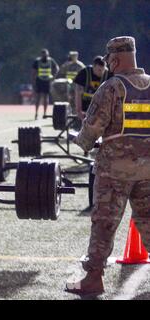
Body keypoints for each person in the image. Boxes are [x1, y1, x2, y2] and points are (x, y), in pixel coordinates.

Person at [66, 36, 150, 296]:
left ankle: (94, 278)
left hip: (115, 170)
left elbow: (92, 128)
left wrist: (81, 141)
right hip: (148, 168)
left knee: (104, 222)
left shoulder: (112, 87)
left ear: (115, 58)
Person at [73, 56, 111, 120]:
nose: (101, 72)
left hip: (101, 104)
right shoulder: (84, 73)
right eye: (99, 70)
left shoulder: (109, 75)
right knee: (72, 92)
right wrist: (79, 111)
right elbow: (78, 93)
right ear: (93, 66)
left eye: (103, 70)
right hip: (84, 102)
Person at [32, 48, 59, 119]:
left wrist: (53, 76)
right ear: (41, 55)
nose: (45, 57)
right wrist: (34, 81)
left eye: (46, 55)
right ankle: (36, 113)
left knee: (45, 97)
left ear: (48, 55)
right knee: (38, 98)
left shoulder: (50, 60)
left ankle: (45, 113)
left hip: (47, 81)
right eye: (43, 55)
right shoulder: (37, 61)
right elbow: (33, 71)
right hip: (39, 81)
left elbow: (56, 68)